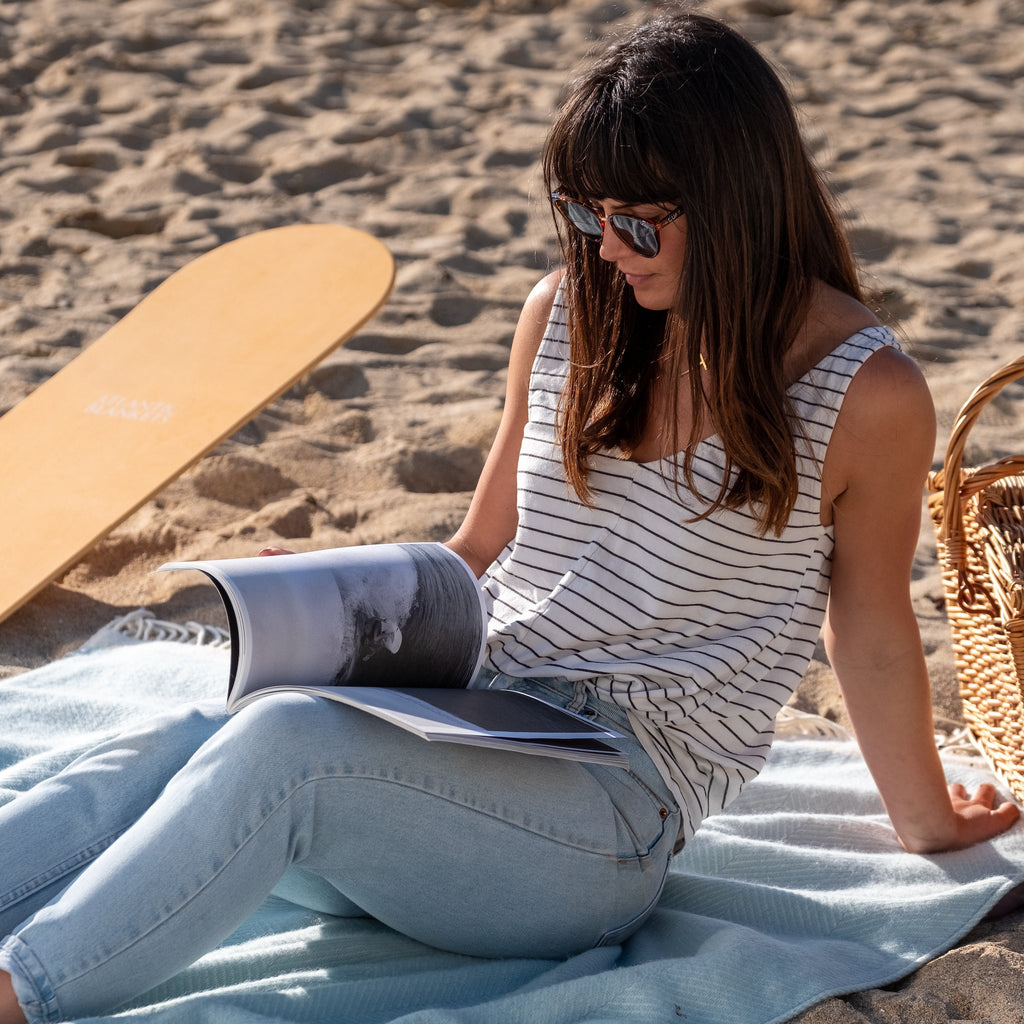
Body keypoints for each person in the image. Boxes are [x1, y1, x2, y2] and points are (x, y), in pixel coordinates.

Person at [0, 8, 1018, 1022]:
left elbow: (874, 629)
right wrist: (330, 605)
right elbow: (478, 552)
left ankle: (22, 993)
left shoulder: (862, 391)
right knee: (197, 726)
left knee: (285, 748)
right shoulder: (569, 313)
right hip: (459, 723)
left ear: (735, 199)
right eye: (586, 214)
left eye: (637, 221)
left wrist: (925, 819)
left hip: (604, 817)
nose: (607, 249)